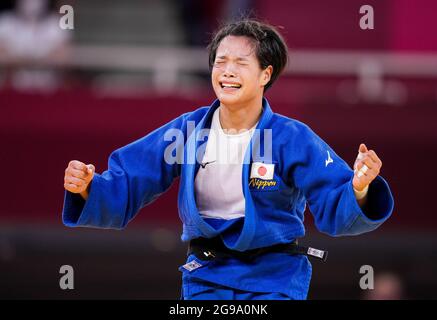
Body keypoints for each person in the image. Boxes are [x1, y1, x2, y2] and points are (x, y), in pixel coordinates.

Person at [62, 19, 394, 300]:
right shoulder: (188, 131)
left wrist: (360, 187)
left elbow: (335, 198)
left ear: (266, 74)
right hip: (206, 277)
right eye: (220, 62)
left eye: (240, 63)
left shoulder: (291, 138)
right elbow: (132, 177)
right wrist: (89, 187)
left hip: (275, 280)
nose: (227, 72)